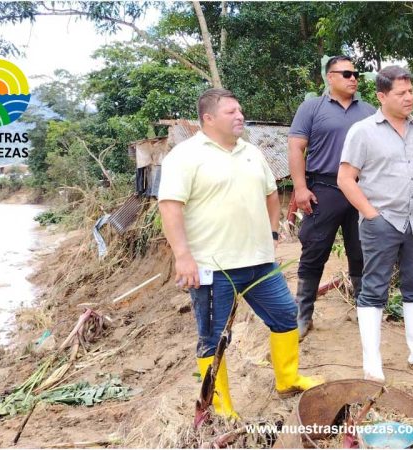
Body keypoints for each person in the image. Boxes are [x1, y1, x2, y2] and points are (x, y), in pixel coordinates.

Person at [158, 88, 320, 419]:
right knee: (213, 338)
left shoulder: (251, 152)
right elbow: (170, 207)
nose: (240, 116)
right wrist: (183, 256)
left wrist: (272, 234)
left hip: (260, 263)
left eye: (240, 110)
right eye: (231, 112)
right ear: (208, 118)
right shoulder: (184, 156)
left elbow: (271, 194)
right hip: (212, 266)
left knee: (285, 315)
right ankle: (221, 408)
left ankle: (288, 379)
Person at [338, 65, 413, 382]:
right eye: (401, 93)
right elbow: (345, 178)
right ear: (382, 96)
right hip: (382, 222)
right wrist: (371, 215)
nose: (409, 97)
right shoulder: (363, 132)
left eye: (411, 91)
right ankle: (372, 365)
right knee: (374, 289)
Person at [288, 55, 376, 341]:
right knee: (314, 250)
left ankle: (364, 311)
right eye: (346, 74)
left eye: (356, 74)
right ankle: (303, 315)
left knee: (361, 250)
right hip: (324, 189)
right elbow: (296, 147)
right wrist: (300, 188)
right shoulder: (312, 108)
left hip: (361, 190)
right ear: (330, 77)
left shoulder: (369, 111)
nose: (353, 79)